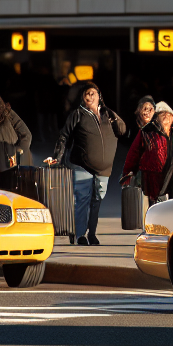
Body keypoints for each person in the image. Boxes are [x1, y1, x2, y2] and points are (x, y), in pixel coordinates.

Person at [46, 82, 129, 245]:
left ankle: (92, 232)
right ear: (82, 98)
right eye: (86, 94)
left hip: (104, 168)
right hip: (80, 164)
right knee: (82, 199)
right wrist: (57, 156)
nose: (89, 96)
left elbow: (122, 130)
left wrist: (114, 116)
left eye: (93, 93)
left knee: (98, 198)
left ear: (99, 97)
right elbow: (64, 136)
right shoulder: (77, 114)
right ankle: (80, 235)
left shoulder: (107, 114)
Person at [122, 100, 173, 203]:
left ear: (172, 117)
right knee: (155, 203)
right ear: (156, 117)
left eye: (168, 115)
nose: (166, 118)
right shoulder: (147, 131)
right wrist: (128, 173)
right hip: (153, 176)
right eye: (162, 115)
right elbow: (134, 153)